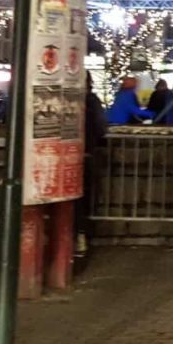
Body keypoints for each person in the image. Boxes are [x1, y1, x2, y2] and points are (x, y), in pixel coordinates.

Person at [77, 72, 108, 266]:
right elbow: (100, 128)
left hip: (67, 154)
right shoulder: (92, 102)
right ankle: (80, 236)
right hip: (86, 154)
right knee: (84, 199)